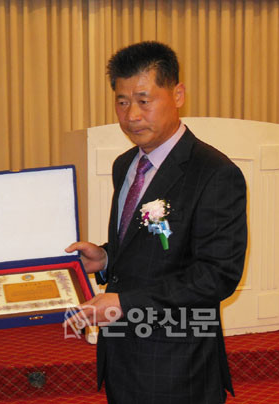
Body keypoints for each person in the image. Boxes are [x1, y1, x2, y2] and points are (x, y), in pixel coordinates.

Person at [65, 41, 247, 403]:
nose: (132, 115)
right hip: (122, 351)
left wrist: (125, 303)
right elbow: (147, 246)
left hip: (177, 361)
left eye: (144, 100)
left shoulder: (214, 173)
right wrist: (106, 257)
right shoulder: (125, 164)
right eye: (122, 102)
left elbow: (216, 275)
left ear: (177, 95)